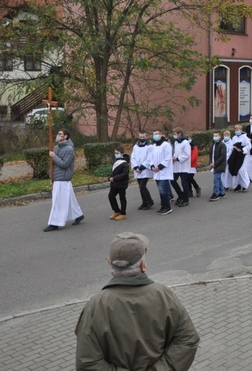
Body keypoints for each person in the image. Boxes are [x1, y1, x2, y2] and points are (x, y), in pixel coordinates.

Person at [75, 232, 199, 369]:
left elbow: (88, 362)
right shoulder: (163, 295)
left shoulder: (95, 306)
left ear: (109, 263)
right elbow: (187, 340)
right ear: (143, 266)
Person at [44, 128, 84, 231]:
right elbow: (53, 164)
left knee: (58, 201)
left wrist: (53, 156)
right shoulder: (57, 147)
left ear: (65, 136)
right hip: (57, 177)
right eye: (57, 133)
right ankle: (78, 214)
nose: (58, 135)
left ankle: (55, 223)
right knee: (69, 198)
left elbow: (65, 164)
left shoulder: (69, 149)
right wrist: (51, 176)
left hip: (63, 177)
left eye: (60, 134)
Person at [150, 129, 174, 215]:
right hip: (156, 171)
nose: (155, 135)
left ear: (161, 135)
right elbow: (151, 157)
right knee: (161, 189)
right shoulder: (153, 146)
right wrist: (152, 166)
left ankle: (167, 207)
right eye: (153, 134)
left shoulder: (166, 145)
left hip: (163, 171)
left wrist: (159, 167)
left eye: (156, 134)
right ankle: (163, 206)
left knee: (162, 189)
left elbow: (168, 158)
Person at [131, 130, 155, 210]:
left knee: (142, 186)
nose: (142, 138)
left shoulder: (149, 146)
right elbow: (133, 157)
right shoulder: (136, 146)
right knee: (140, 187)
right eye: (140, 137)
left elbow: (149, 158)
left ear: (146, 137)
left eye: (143, 137)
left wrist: (141, 167)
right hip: (137, 170)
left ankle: (150, 201)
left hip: (145, 169)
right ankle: (144, 202)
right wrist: (135, 167)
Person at [108, 146, 130, 221]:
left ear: (122, 154)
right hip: (114, 183)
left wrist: (114, 178)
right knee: (111, 196)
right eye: (115, 153)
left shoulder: (124, 163)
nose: (115, 154)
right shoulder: (115, 161)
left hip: (121, 183)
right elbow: (113, 171)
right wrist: (110, 177)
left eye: (117, 153)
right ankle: (116, 211)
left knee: (122, 198)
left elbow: (125, 174)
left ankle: (123, 213)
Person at [170, 127, 191, 208]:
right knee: (172, 181)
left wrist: (178, 158)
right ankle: (181, 195)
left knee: (184, 183)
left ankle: (186, 199)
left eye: (175, 134)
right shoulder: (176, 142)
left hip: (183, 166)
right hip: (176, 166)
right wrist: (174, 157)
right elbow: (175, 152)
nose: (174, 135)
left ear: (180, 134)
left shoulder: (185, 143)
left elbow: (187, 154)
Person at [230, 124, 252, 193]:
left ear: (241, 130)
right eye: (236, 130)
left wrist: (242, 150)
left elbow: (249, 146)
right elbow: (232, 145)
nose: (237, 131)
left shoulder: (245, 137)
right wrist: (234, 147)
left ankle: (245, 185)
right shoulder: (234, 138)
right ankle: (237, 185)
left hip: (243, 156)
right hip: (236, 156)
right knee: (235, 170)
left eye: (238, 130)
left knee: (241, 170)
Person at [209, 130, 226, 201]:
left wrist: (215, 164)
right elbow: (211, 155)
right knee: (218, 179)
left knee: (216, 179)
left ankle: (215, 193)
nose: (215, 137)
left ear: (220, 136)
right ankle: (222, 192)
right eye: (214, 136)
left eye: (216, 136)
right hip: (214, 165)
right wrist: (210, 162)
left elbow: (222, 157)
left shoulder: (222, 145)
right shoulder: (213, 145)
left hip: (220, 165)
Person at [186, 133, 202, 198]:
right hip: (186, 166)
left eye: (189, 138)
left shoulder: (194, 147)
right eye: (187, 139)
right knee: (187, 179)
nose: (188, 140)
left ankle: (197, 187)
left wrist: (189, 162)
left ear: (192, 139)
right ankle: (190, 191)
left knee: (190, 178)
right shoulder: (186, 146)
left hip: (192, 165)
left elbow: (194, 157)